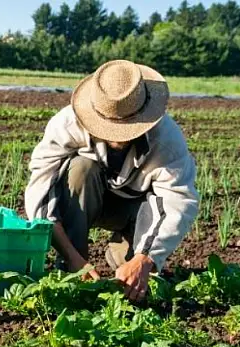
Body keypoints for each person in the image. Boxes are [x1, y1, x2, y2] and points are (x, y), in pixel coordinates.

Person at [24, 59, 199, 302]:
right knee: (80, 169)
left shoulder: (166, 139)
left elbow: (177, 201)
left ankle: (125, 253)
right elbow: (41, 191)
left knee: (131, 283)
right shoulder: (67, 124)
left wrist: (145, 259)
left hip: (134, 209)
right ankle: (70, 268)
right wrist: (75, 260)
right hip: (85, 199)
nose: (117, 138)